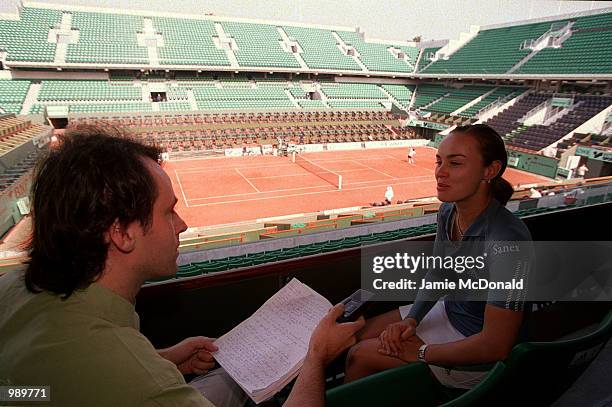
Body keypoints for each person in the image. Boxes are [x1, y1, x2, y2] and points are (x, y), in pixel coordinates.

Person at [0, 125, 364, 407]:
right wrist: (316, 356)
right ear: (122, 233)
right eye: (167, 211)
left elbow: (34, 391)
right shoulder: (140, 384)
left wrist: (164, 359)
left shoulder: (12, 283)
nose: (182, 224)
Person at [345, 124, 533, 391]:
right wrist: (412, 319)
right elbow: (438, 274)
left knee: (359, 354)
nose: (440, 172)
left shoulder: (508, 242)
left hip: (477, 352)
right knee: (353, 335)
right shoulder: (448, 212)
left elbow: (496, 345)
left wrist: (422, 352)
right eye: (439, 161)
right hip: (447, 310)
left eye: (455, 163)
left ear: (490, 170)